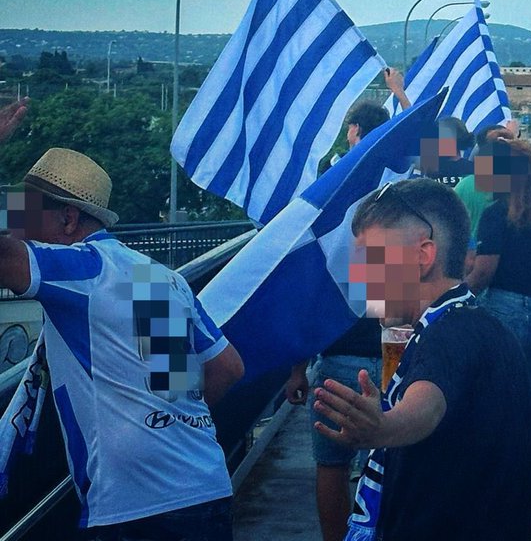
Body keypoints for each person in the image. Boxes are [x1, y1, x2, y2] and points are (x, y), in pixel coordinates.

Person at [0, 146, 244, 539]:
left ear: (68, 219)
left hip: (135, 505)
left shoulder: (80, 268)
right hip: (204, 483)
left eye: (22, 212)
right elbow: (226, 367)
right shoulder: (155, 276)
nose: (14, 228)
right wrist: (169, 424)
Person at [312, 178, 531, 541]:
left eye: (369, 256)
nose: (358, 275)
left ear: (422, 257)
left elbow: (426, 406)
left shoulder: (444, 336)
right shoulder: (491, 330)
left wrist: (384, 427)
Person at [286, 99, 389, 541]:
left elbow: (310, 288)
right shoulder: (398, 196)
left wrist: (297, 367)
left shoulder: (331, 197)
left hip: (338, 356)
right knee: (386, 464)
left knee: (331, 465)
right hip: (391, 353)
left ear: (354, 132)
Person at [467, 137, 531, 506]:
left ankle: (503, 474)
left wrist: (456, 297)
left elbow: (484, 273)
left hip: (503, 308)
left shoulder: (496, 214)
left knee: (501, 395)